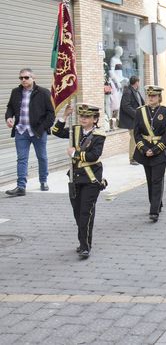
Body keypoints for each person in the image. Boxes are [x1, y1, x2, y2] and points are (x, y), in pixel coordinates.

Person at [51, 103, 106, 259]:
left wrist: (75, 153)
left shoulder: (99, 135)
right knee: (77, 212)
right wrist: (65, 115)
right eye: (81, 115)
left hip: (91, 177)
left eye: (87, 116)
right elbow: (56, 131)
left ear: (95, 119)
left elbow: (94, 156)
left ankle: (85, 246)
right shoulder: (74, 130)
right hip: (75, 177)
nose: (83, 118)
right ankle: (84, 240)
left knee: (85, 213)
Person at [4, 68, 55, 196]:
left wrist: (43, 128)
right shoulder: (15, 92)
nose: (23, 80)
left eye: (26, 77)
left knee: (42, 157)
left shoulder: (43, 92)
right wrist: (9, 117)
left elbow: (51, 114)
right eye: (21, 78)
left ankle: (43, 181)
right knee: (22, 159)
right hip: (21, 131)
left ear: (33, 77)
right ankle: (21, 186)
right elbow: (10, 107)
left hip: (38, 132)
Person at [133, 86, 166, 222]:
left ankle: (154, 210)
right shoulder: (140, 112)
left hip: (159, 151)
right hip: (145, 150)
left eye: (154, 96)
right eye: (149, 96)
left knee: (157, 180)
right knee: (150, 180)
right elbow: (136, 133)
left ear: (159, 97)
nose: (151, 98)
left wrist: (155, 150)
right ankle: (156, 202)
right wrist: (144, 149)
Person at [119, 76, 145, 165]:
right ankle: (132, 158)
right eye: (139, 82)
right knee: (134, 138)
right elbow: (125, 106)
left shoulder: (135, 91)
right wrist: (136, 114)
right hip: (131, 120)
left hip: (137, 120)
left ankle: (138, 156)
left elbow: (141, 103)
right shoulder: (128, 91)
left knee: (138, 137)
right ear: (137, 82)